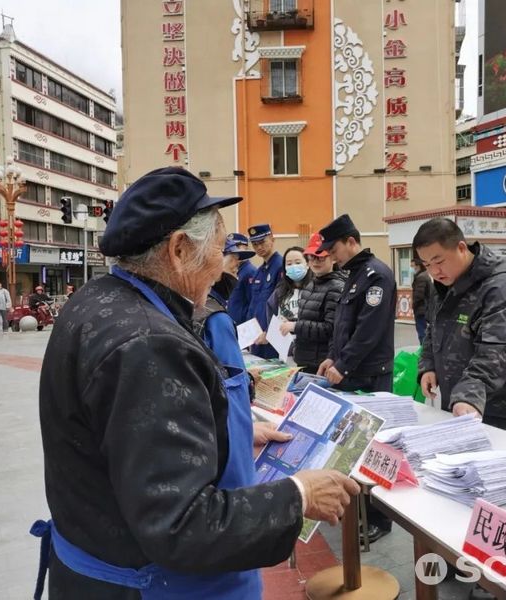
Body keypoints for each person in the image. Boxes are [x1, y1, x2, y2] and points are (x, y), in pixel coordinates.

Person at [33, 167, 359, 600]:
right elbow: (181, 524)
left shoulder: (97, 300)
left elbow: (135, 439)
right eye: (219, 248)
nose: (223, 265)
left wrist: (228, 432)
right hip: (147, 586)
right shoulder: (149, 343)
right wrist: (298, 494)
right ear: (180, 250)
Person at [415, 217, 506, 437]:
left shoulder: (498, 288)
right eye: (427, 265)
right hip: (459, 404)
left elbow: (495, 352)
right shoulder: (442, 285)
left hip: (500, 411)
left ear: (461, 248)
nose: (434, 271)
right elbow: (433, 328)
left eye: (438, 261)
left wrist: (468, 395)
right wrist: (428, 365)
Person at [317, 214, 396, 543]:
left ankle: (380, 517)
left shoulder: (377, 276)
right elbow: (343, 327)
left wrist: (344, 364)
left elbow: (368, 331)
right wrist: (333, 357)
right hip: (350, 373)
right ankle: (358, 506)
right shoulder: (352, 276)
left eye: (333, 248)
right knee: (352, 447)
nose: (330, 255)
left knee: (375, 449)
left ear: (351, 241)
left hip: (370, 376)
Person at [193, 237, 256, 372]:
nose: (236, 277)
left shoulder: (197, 304)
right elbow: (235, 375)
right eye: (233, 269)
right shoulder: (218, 318)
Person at [288, 232, 345, 375]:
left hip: (321, 364)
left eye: (321, 257)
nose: (315, 261)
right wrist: (291, 323)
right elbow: (309, 319)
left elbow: (330, 328)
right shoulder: (310, 285)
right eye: (312, 257)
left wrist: (296, 326)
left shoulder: (336, 287)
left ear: (332, 258)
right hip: (304, 359)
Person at [262, 246, 310, 356]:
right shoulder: (279, 292)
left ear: (307, 264)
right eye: (289, 264)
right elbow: (272, 323)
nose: (293, 267)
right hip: (285, 352)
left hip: (310, 352)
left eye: (298, 262)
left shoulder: (316, 289)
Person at [245, 224, 283, 358]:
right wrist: (248, 333)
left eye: (262, 242)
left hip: (272, 338)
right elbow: (253, 304)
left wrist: (270, 332)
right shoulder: (259, 271)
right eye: (255, 244)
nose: (259, 247)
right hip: (256, 336)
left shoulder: (281, 266)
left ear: (272, 239)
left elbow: (282, 306)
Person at [227, 233, 257, 324]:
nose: (235, 250)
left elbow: (253, 303)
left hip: (242, 326)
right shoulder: (235, 270)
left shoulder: (250, 272)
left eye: (237, 246)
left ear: (246, 248)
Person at [411, 258, 433, 344]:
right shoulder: (426, 275)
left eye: (412, 266)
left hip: (421, 310)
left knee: (422, 333)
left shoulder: (421, 277)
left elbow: (418, 296)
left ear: (418, 266)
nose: (411, 268)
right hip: (426, 308)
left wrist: (413, 305)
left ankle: (424, 352)